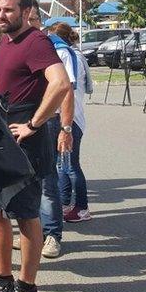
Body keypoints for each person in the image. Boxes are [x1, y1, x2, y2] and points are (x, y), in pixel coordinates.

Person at [0, 0, 71, 292]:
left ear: (26, 12)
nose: (1, 15)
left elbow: (61, 83)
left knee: (25, 214)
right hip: (3, 140)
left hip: (26, 144)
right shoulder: (7, 41)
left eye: (8, 10)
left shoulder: (36, 41)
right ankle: (4, 276)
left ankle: (27, 284)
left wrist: (34, 124)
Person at [38, 16, 78, 259]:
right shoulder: (14, 45)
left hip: (50, 121)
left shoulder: (56, 50)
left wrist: (66, 128)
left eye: (34, 19)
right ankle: (34, 232)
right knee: (27, 182)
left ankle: (52, 234)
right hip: (23, 122)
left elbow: (66, 90)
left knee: (47, 180)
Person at [47, 23, 91, 223]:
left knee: (71, 165)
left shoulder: (66, 55)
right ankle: (66, 203)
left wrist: (66, 125)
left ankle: (82, 208)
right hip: (67, 116)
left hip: (71, 118)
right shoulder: (72, 54)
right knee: (61, 164)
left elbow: (67, 89)